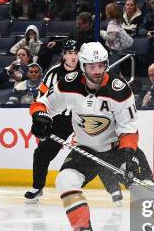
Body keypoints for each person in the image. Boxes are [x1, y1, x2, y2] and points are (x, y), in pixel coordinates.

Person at [29, 42, 151, 231]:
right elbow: (43, 103)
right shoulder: (68, 84)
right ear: (83, 66)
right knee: (65, 180)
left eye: (101, 65)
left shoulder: (119, 90)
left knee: (147, 192)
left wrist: (126, 157)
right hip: (85, 150)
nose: (97, 71)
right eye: (92, 66)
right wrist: (40, 116)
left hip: (117, 149)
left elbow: (129, 130)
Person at [25, 40, 122, 205]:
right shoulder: (53, 74)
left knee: (96, 150)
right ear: (63, 55)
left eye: (76, 53)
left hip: (85, 118)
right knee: (42, 153)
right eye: (69, 53)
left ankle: (113, 188)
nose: (72, 56)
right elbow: (41, 99)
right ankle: (37, 187)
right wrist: (41, 116)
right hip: (61, 120)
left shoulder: (87, 71)